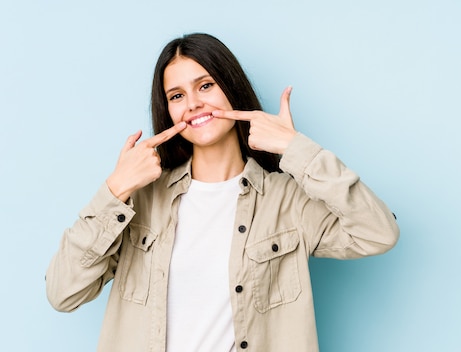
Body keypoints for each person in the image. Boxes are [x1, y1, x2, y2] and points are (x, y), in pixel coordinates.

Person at [46, 33, 399, 352]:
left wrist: (296, 149)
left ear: (230, 86)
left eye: (206, 85)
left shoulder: (287, 201)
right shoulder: (140, 201)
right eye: (177, 95)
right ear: (168, 111)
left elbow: (378, 232)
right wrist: (115, 189)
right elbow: (63, 293)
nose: (193, 104)